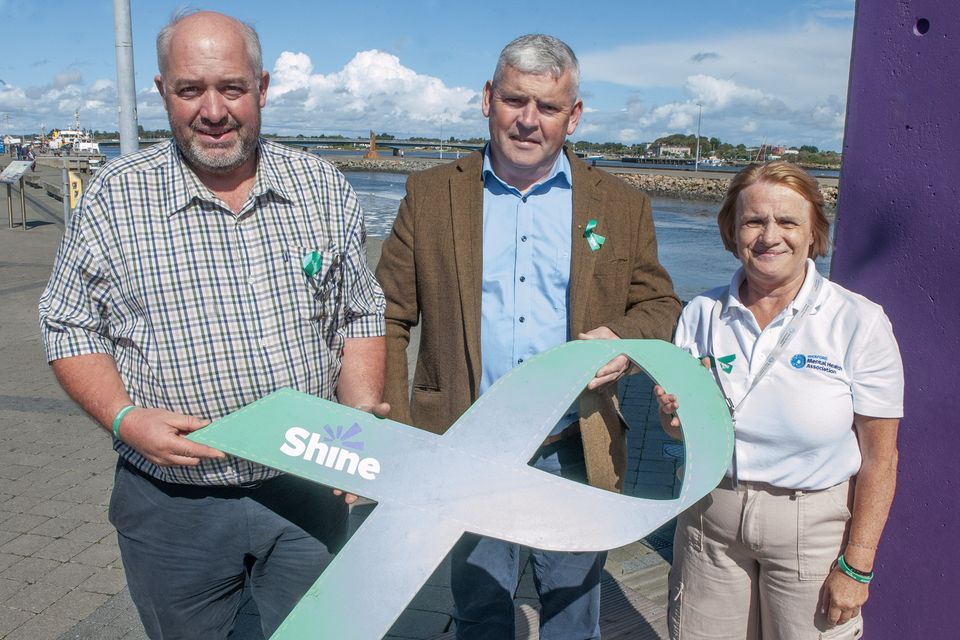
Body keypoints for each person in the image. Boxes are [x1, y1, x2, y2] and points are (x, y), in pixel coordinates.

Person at [38, 10, 386, 639]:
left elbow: (359, 311)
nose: (214, 111)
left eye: (231, 88)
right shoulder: (116, 196)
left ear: (262, 87)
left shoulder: (322, 186)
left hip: (308, 490)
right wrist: (123, 418)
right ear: (162, 92)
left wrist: (356, 426)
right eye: (190, 90)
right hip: (173, 504)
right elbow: (69, 324)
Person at [376, 34, 680, 640]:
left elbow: (661, 304)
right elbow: (386, 315)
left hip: (573, 445)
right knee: (480, 615)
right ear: (488, 98)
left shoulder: (621, 205)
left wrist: (622, 338)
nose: (528, 120)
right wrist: (395, 435)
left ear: (575, 114)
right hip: (465, 443)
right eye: (515, 100)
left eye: (547, 106)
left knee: (573, 616)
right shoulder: (430, 195)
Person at [656, 161, 903, 640]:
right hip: (709, 517)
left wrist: (857, 566)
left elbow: (881, 459)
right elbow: (677, 429)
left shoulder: (858, 322)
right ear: (732, 232)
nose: (770, 236)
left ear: (814, 234)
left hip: (810, 528)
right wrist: (673, 416)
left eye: (788, 221)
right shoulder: (701, 313)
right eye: (754, 221)